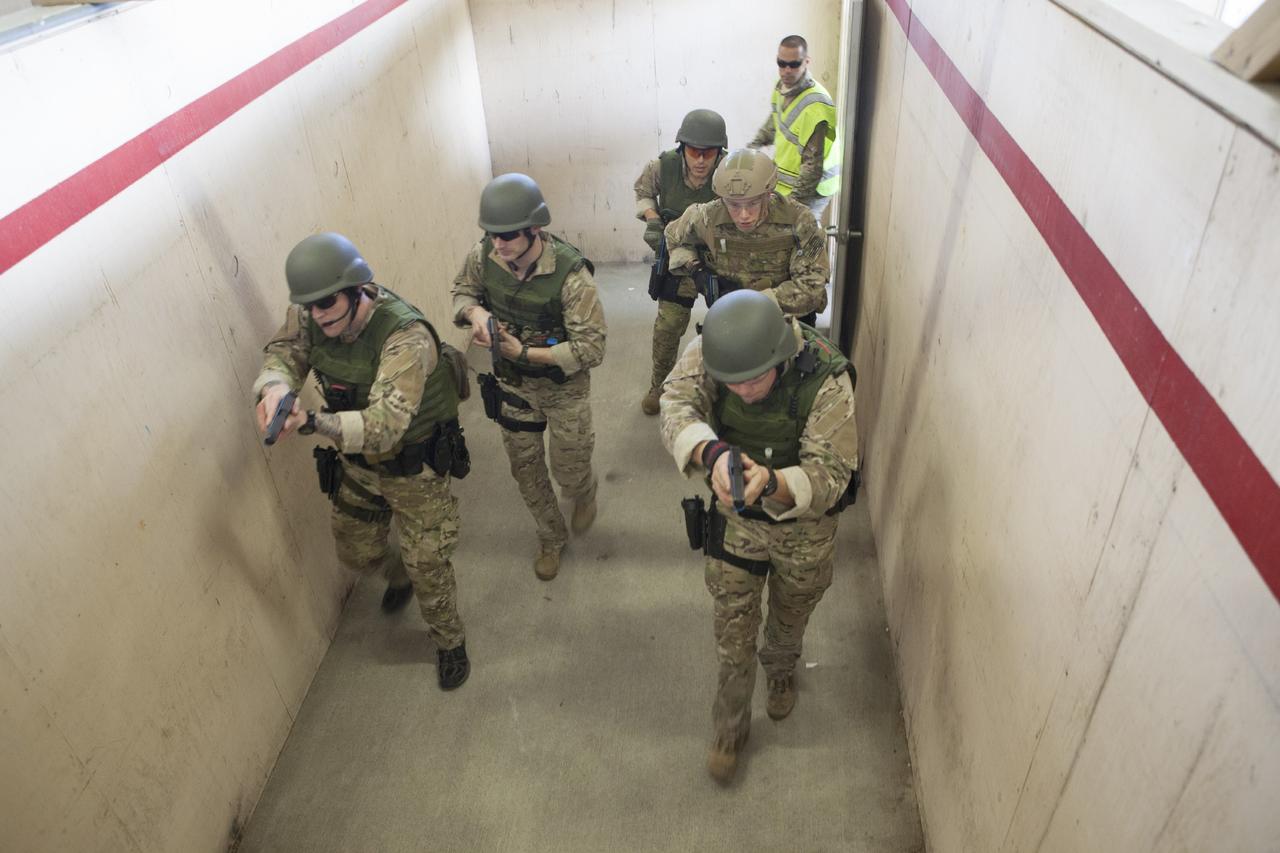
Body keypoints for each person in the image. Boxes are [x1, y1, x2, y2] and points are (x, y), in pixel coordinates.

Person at [254, 232, 471, 690]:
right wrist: (274, 387)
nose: (317, 315)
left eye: (327, 303)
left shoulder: (405, 337)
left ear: (357, 290)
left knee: (428, 565)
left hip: (415, 470)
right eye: (309, 306)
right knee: (356, 551)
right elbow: (284, 352)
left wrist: (311, 421)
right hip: (359, 466)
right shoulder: (313, 314)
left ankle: (450, 641)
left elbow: (385, 425)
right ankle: (398, 575)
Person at [658, 289, 859, 783]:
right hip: (738, 521)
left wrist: (769, 483)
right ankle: (729, 728)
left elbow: (831, 476)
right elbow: (675, 402)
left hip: (804, 528)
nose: (743, 391)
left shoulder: (826, 379)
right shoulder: (716, 351)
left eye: (755, 379)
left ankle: (782, 669)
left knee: (791, 616)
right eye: (733, 382)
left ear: (780, 356)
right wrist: (709, 453)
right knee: (733, 630)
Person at [451, 173, 607, 581]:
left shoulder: (571, 277)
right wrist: (476, 313)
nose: (498, 244)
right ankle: (550, 536)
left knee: (569, 468)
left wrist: (524, 352)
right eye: (492, 234)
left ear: (534, 229)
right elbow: (462, 291)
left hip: (563, 389)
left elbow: (591, 348)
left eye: (508, 236)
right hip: (513, 385)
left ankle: (583, 491)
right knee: (526, 468)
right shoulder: (484, 256)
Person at [664, 148, 828, 326]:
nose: (743, 215)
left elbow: (812, 287)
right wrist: (696, 270)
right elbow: (672, 236)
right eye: (733, 205)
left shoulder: (800, 221)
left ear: (768, 194)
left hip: (787, 319)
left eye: (753, 203)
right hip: (731, 317)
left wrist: (750, 303)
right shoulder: (707, 216)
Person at [634, 108, 727, 416]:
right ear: (682, 148)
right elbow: (643, 192)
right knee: (669, 325)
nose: (700, 160)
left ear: (719, 152)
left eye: (708, 153)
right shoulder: (663, 167)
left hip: (718, 258)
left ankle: (732, 385)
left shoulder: (730, 171)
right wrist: (652, 218)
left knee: (730, 322)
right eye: (693, 152)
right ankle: (659, 384)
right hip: (676, 257)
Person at [746, 34, 841, 220]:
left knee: (803, 229)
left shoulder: (815, 106)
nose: (786, 70)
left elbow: (812, 169)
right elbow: (776, 121)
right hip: (787, 181)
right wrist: (752, 148)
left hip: (814, 188)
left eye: (794, 64)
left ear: (806, 62)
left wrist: (791, 206)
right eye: (781, 64)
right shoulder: (782, 88)